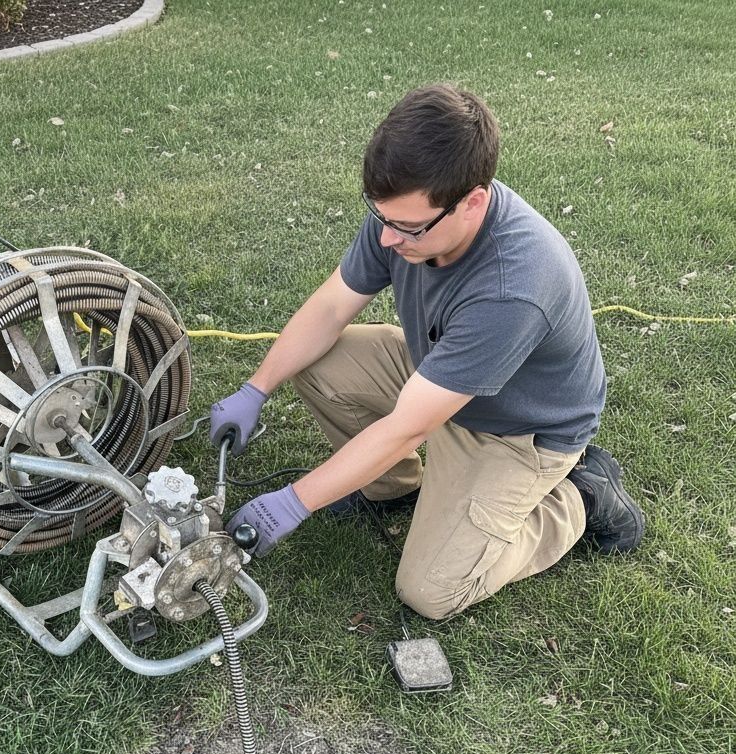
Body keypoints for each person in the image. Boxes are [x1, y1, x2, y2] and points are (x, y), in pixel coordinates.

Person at [210, 83, 644, 621]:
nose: (388, 239)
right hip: (436, 375)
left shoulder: (515, 286)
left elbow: (407, 428)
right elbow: (329, 309)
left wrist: (295, 502)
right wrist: (256, 389)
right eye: (382, 218)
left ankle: (580, 497)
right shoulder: (407, 212)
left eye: (408, 227)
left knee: (431, 590)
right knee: (316, 365)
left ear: (474, 202)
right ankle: (389, 486)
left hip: (517, 433)